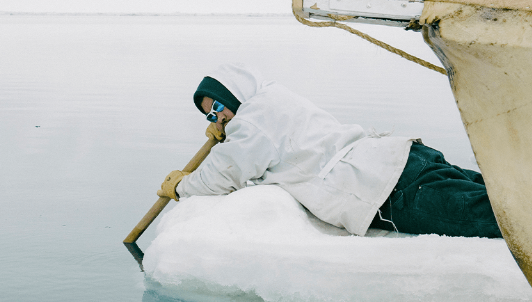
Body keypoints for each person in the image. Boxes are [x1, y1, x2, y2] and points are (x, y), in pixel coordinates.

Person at [157, 64, 502, 239]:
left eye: (219, 106)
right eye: (210, 115)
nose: (219, 117)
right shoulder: (272, 99)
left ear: (232, 94)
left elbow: (225, 174)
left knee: (501, 220)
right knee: (504, 195)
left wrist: (181, 185)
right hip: (401, 159)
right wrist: (229, 131)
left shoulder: (253, 123)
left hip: (387, 190)